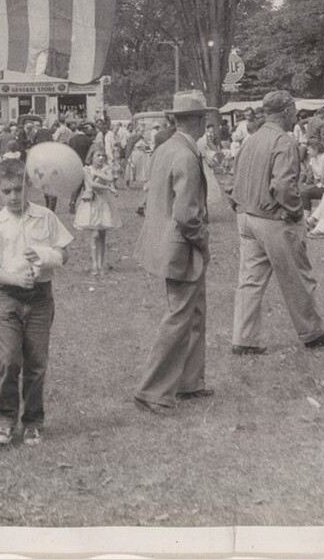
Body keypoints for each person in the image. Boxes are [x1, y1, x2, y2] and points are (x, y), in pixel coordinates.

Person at [230, 90, 324, 354]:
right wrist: (295, 211)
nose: (297, 115)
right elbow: (283, 184)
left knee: (250, 280)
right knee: (297, 277)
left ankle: (244, 339)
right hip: (272, 219)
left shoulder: (251, 139)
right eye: (294, 110)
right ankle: (313, 332)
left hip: (246, 216)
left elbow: (235, 179)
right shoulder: (283, 141)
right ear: (286, 112)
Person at [0, 157, 73, 446]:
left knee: (36, 362)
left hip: (40, 299)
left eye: (19, 190)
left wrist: (47, 255)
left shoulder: (45, 217)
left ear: (29, 186)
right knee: (7, 360)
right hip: (8, 298)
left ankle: (32, 422)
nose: (14, 197)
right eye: (7, 192)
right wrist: (15, 279)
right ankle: (4, 420)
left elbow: (64, 253)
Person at [133, 90, 213, 415]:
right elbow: (186, 213)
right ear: (199, 120)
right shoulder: (185, 155)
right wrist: (204, 240)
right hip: (181, 246)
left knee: (194, 313)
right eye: (205, 117)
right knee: (180, 317)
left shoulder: (167, 148)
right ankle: (150, 391)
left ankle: (189, 382)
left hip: (166, 243)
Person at [74, 148, 121, 276]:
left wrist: (97, 172)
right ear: (92, 156)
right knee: (95, 234)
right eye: (98, 155)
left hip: (104, 202)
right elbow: (91, 184)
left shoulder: (106, 168)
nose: (101, 158)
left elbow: (110, 178)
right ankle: (94, 263)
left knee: (102, 235)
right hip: (91, 202)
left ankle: (101, 263)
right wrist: (108, 188)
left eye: (102, 156)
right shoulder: (86, 170)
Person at [298, 138, 324, 214]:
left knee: (305, 194)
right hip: (320, 185)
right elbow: (315, 177)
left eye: (309, 150)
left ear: (315, 149)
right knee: (303, 193)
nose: (308, 152)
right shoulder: (313, 159)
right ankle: (309, 217)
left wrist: (319, 183)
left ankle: (308, 218)